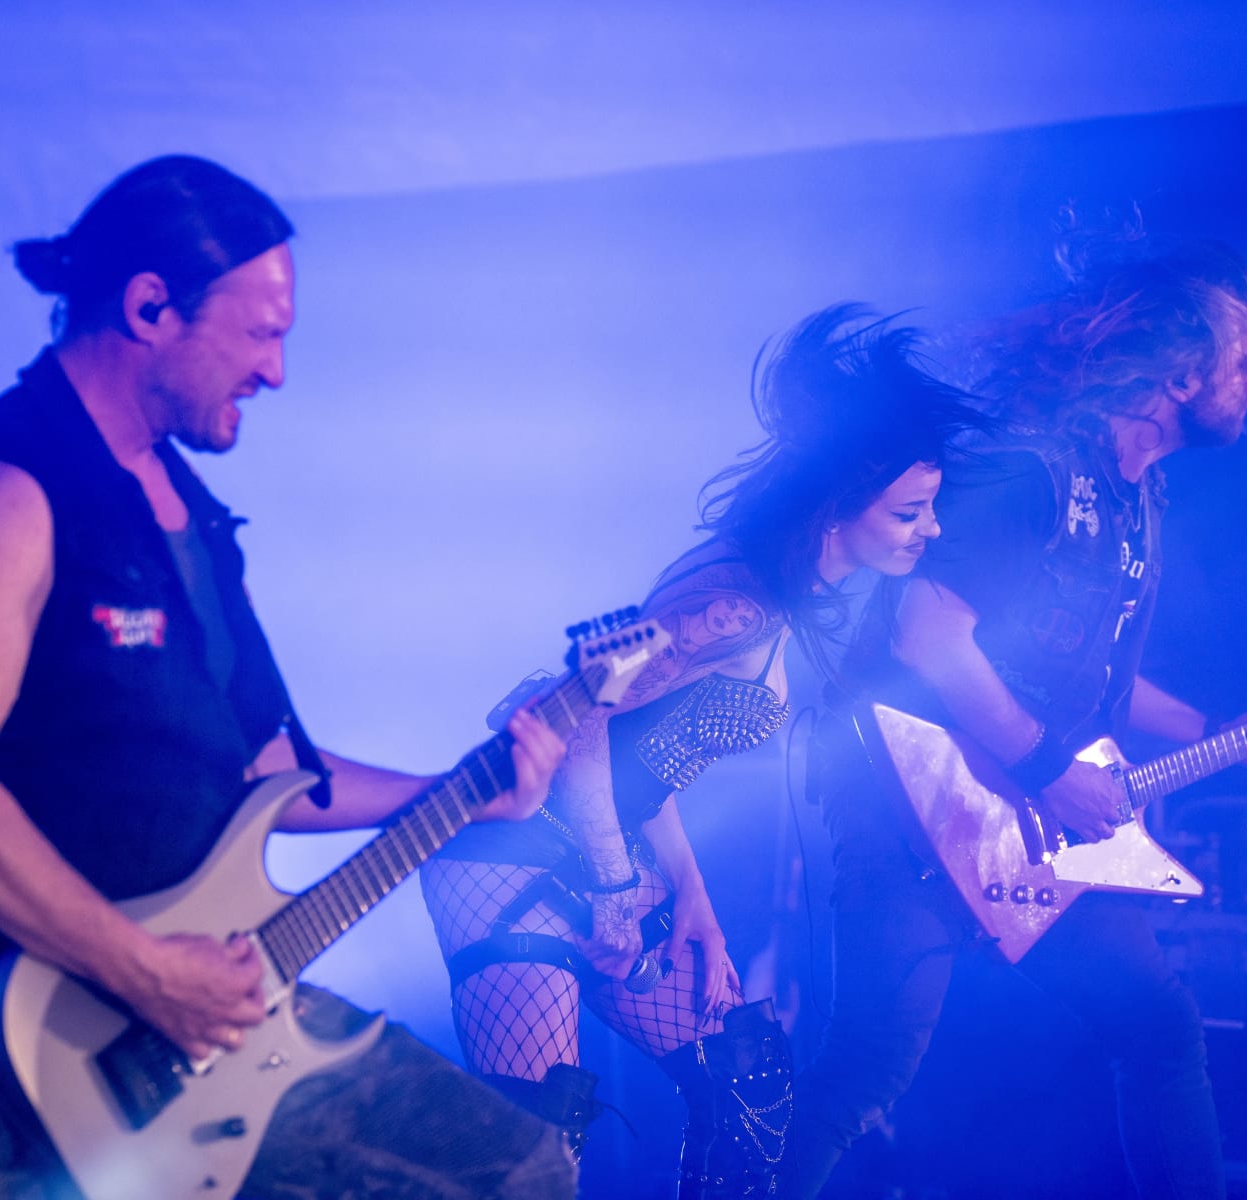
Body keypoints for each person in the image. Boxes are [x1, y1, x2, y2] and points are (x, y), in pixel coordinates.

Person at [0, 156, 577, 1200]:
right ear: (150, 308)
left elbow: (259, 761)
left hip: (183, 1005)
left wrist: (461, 793)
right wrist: (143, 970)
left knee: (519, 1174)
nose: (276, 373)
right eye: (263, 334)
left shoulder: (193, 516)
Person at [780, 239, 1247, 1200]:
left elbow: (1098, 684)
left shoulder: (1136, 497)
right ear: (1184, 369)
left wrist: (1225, 732)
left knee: (1158, 1029)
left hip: (1024, 815)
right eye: (1246, 356)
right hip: (913, 811)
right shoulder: (1032, 471)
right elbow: (928, 634)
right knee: (863, 1074)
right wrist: (1045, 768)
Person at [419, 306, 986, 1197]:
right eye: (911, 510)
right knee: (531, 1161)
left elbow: (653, 766)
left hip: (601, 843)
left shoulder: (779, 601)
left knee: (749, 1079)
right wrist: (613, 886)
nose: (932, 529)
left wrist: (695, 902)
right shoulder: (733, 602)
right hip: (510, 848)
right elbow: (585, 722)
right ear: (838, 510)